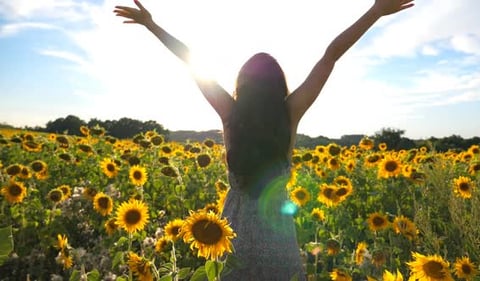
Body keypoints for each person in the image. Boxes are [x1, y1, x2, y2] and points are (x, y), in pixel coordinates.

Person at [114, 0, 414, 280]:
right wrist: (374, 12)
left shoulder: (230, 115)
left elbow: (190, 61)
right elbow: (330, 56)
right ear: (279, 84)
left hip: (233, 236)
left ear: (240, 85)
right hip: (278, 240)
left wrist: (152, 26)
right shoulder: (290, 113)